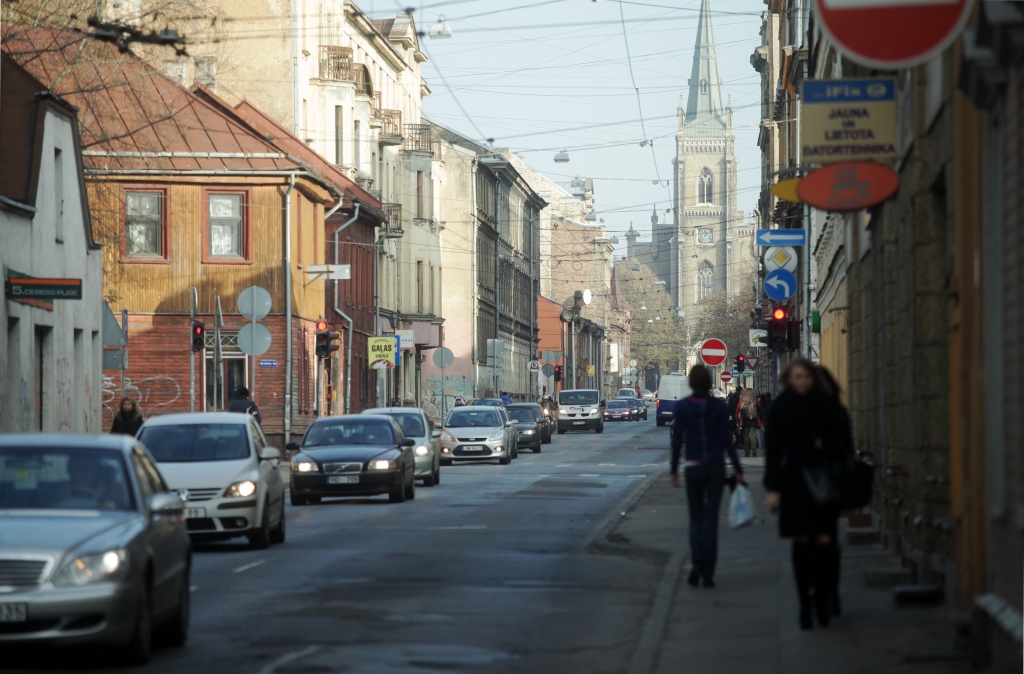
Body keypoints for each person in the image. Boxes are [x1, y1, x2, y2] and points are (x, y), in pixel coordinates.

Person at [764, 359, 853, 630]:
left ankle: (823, 602)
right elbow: (774, 452)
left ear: (814, 379)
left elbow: (845, 448)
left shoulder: (829, 407)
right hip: (794, 484)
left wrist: (821, 444)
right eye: (797, 377)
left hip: (825, 482)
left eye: (807, 377)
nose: (802, 382)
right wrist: (773, 489)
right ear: (789, 379)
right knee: (802, 543)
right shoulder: (780, 408)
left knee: (825, 541)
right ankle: (805, 606)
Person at [670, 365, 745, 589]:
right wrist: (738, 469)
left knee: (695, 518)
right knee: (711, 520)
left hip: (692, 467)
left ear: (691, 383)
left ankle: (697, 561)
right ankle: (709, 574)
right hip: (715, 466)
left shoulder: (682, 407)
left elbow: (676, 442)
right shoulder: (718, 407)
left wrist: (673, 469)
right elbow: (725, 437)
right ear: (710, 383)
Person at [735, 389, 763, 458]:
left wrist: (737, 421)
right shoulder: (756, 401)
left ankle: (747, 452)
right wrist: (761, 421)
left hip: (744, 421)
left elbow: (737, 411)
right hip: (753, 420)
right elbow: (760, 411)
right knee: (753, 435)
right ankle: (753, 445)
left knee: (746, 436)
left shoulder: (741, 401)